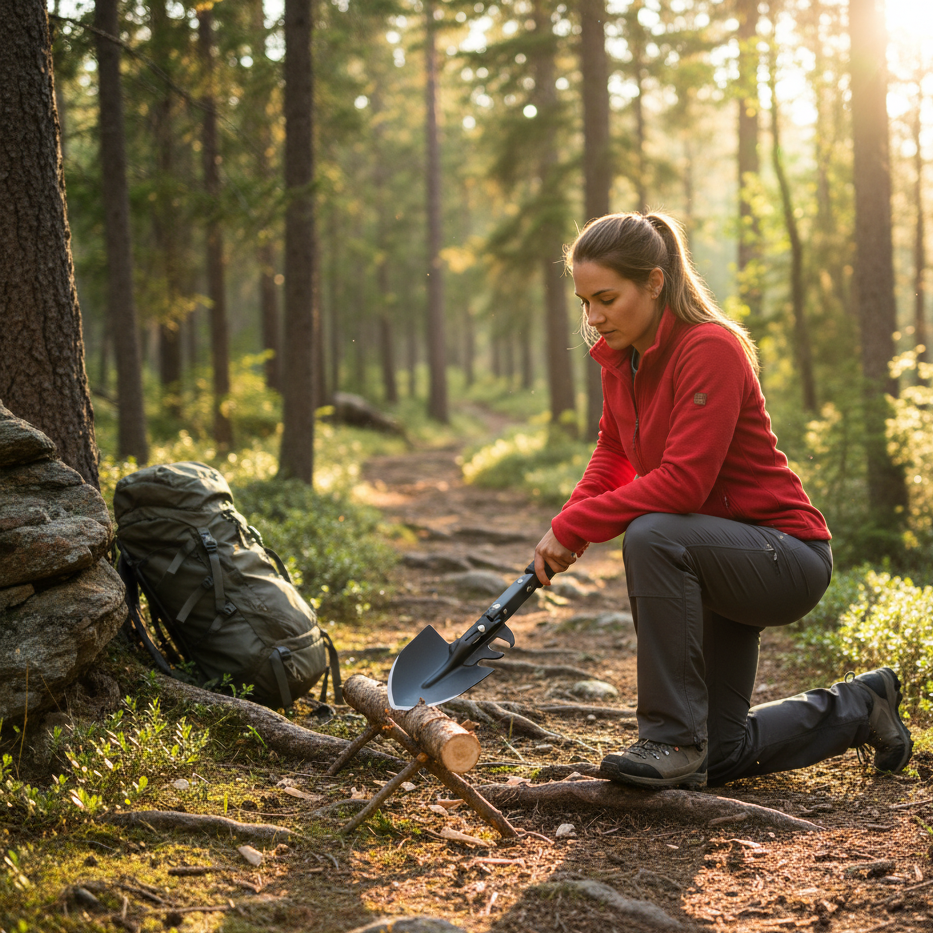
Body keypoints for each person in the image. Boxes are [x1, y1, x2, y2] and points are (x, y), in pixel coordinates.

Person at [532, 211, 913, 789]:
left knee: (652, 533)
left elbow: (683, 483)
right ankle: (863, 706)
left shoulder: (709, 347)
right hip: (708, 557)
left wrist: (579, 523)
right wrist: (567, 523)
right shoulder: (622, 359)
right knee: (720, 754)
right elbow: (612, 453)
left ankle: (669, 737)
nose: (594, 318)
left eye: (606, 299)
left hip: (784, 555)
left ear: (654, 282)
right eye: (585, 302)